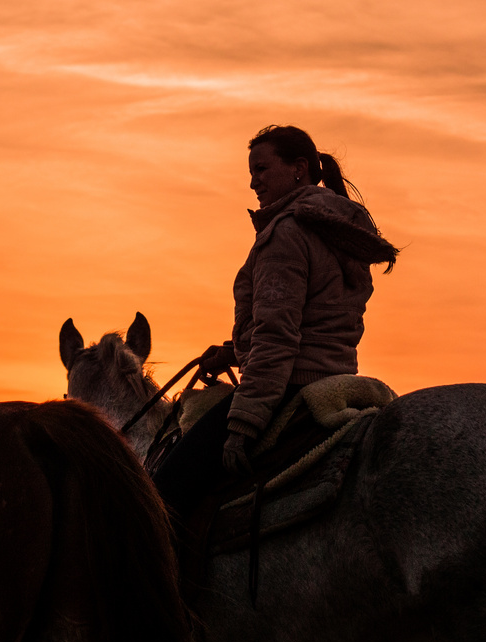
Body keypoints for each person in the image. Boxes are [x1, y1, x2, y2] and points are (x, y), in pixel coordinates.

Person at [153, 124, 395, 523]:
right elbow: (313, 319)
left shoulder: (286, 233)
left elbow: (278, 337)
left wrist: (244, 424)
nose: (253, 183)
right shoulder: (339, 233)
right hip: (336, 377)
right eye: (251, 172)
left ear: (299, 168)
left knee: (162, 499)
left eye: (261, 169)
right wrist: (233, 352)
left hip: (287, 384)